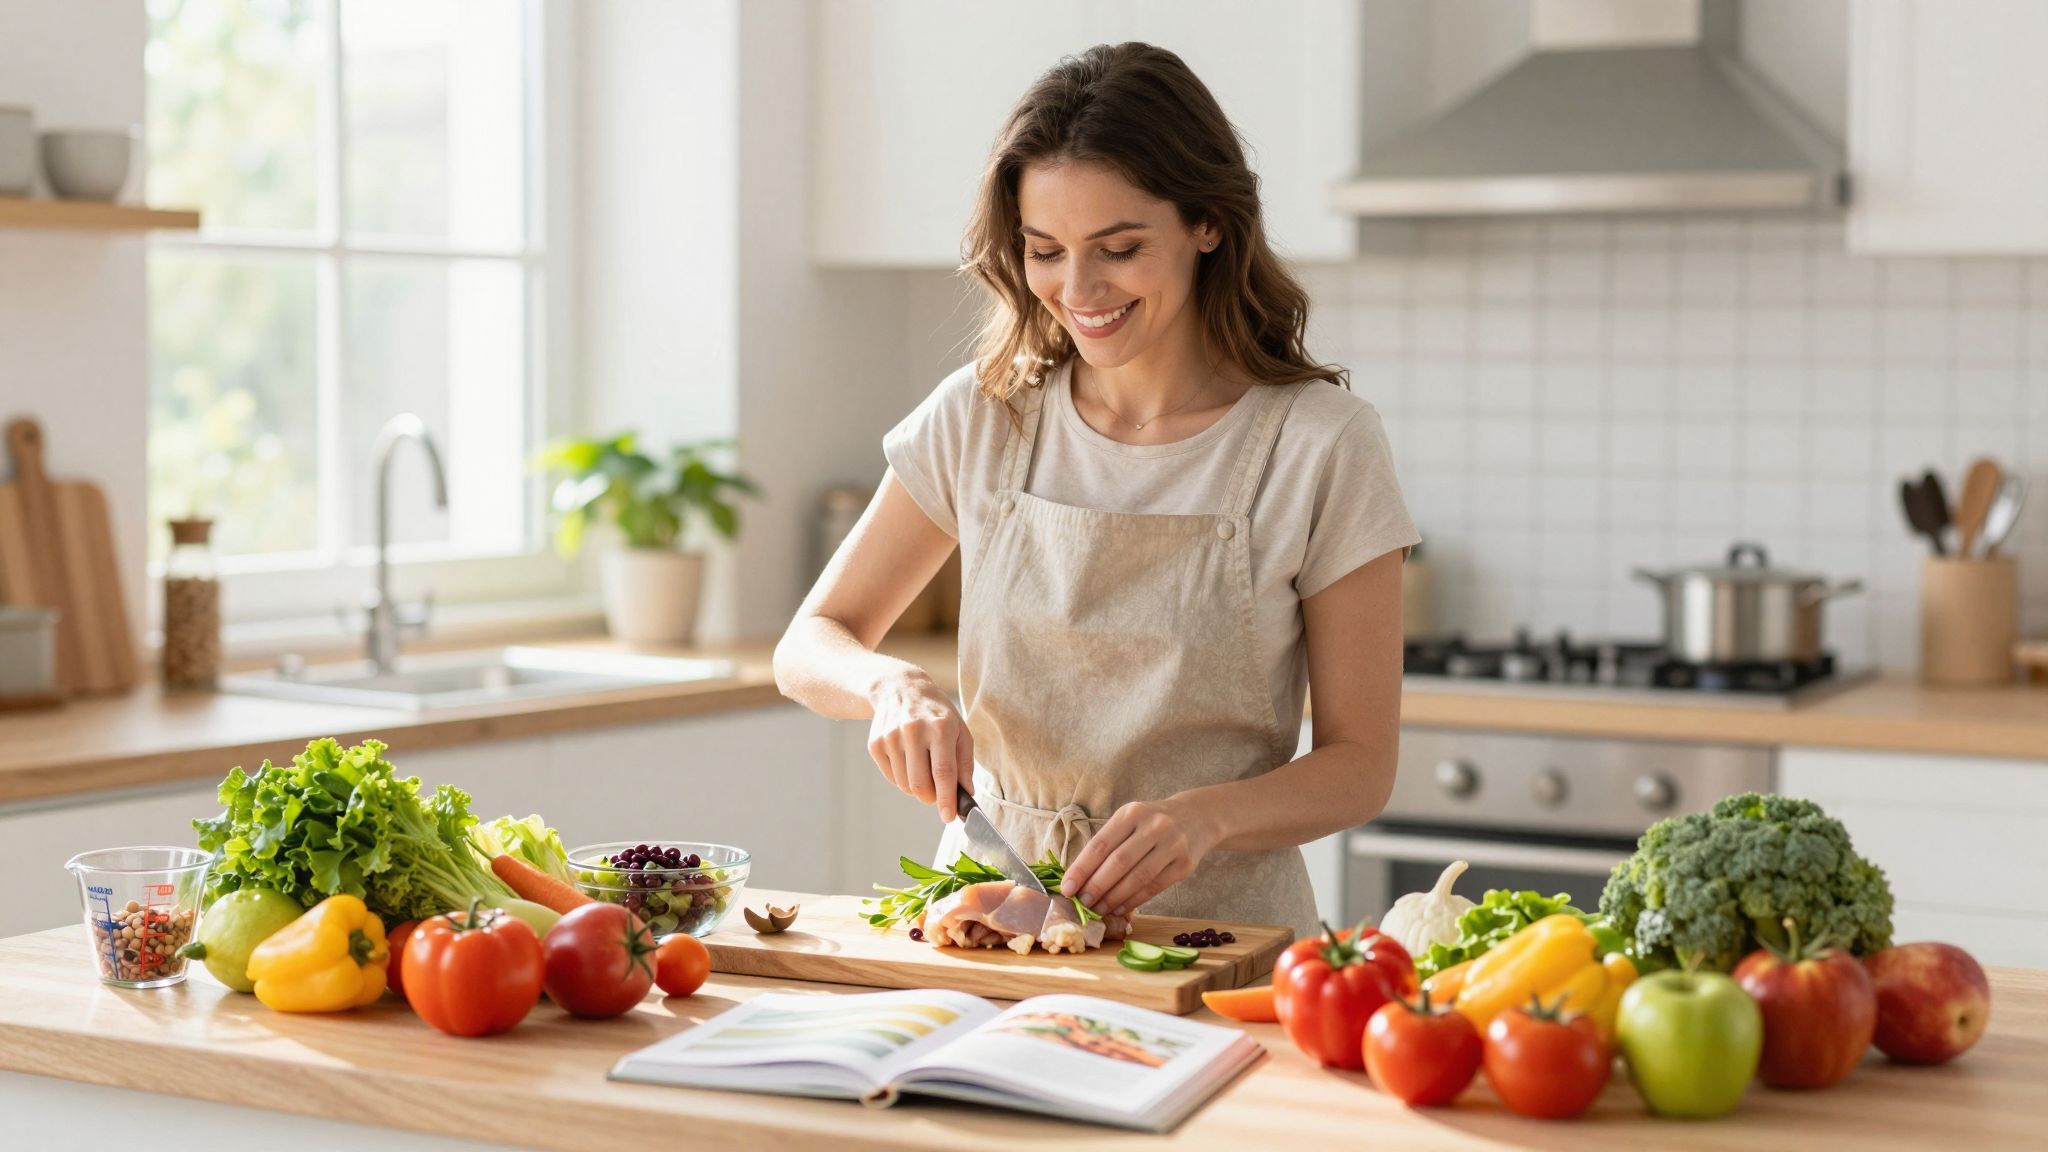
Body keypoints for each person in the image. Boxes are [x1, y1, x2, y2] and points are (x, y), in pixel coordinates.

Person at [773, 42, 1417, 937]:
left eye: (1118, 248)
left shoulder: (1319, 445)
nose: (1078, 291)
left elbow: (1361, 763)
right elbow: (811, 641)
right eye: (1045, 250)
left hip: (1214, 946)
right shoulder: (983, 418)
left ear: (1208, 223)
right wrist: (890, 688)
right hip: (994, 924)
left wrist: (1208, 816)